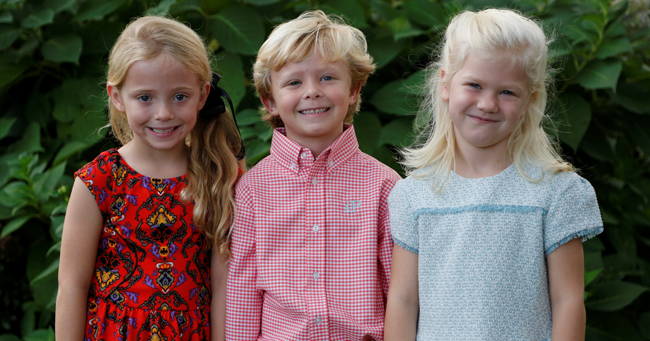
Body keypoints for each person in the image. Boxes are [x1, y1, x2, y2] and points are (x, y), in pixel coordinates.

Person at [384, 8, 603, 341]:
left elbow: (568, 301)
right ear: (445, 83)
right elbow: (403, 300)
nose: (487, 104)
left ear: (530, 99)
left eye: (507, 92)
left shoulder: (555, 191)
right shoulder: (413, 194)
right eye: (474, 85)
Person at [55, 15, 245, 340]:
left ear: (202, 95)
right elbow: (72, 284)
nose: (163, 113)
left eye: (179, 96)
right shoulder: (100, 179)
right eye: (145, 97)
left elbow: (223, 281)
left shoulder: (218, 174)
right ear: (117, 97)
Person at [225, 10, 401, 340]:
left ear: (353, 89)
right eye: (293, 82)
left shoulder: (384, 185)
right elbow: (242, 293)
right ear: (270, 100)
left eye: (327, 78)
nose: (312, 91)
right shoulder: (252, 189)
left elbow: (400, 291)